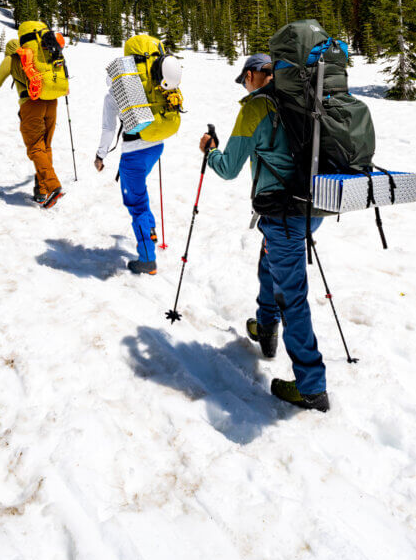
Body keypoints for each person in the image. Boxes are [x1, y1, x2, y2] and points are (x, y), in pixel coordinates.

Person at [199, 51, 329, 412]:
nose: (244, 84)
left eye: (245, 78)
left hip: (284, 212)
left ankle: (311, 386)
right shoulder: (303, 99)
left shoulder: (255, 109)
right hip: (312, 205)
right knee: (267, 263)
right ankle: (267, 329)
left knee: (293, 295)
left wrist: (211, 152)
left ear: (256, 74)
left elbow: (227, 168)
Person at [0, 20, 69, 209]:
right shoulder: (38, 56)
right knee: (45, 147)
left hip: (31, 104)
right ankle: (42, 192)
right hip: (51, 101)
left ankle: (53, 187)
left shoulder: (12, 58)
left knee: (35, 147)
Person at [95, 48, 183, 275]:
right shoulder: (145, 83)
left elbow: (108, 128)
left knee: (137, 204)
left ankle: (147, 258)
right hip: (155, 146)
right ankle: (149, 233)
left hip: (133, 153)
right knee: (140, 194)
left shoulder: (113, 93)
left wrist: (100, 155)